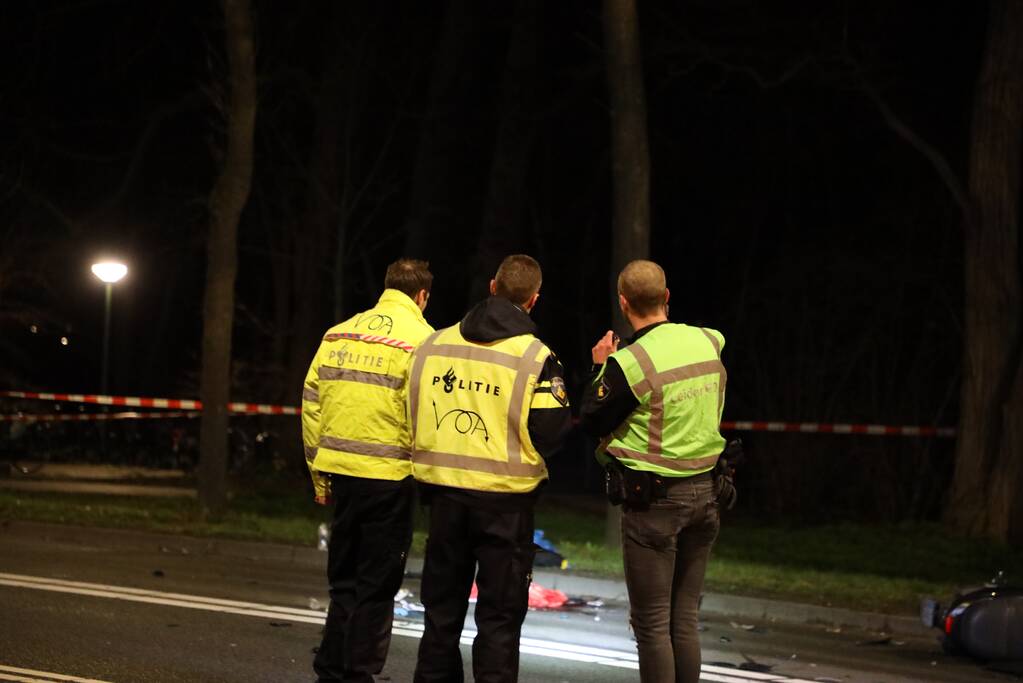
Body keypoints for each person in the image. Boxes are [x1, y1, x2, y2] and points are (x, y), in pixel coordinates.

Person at [406, 254, 571, 683]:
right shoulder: (537, 357)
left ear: (493, 286)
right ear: (533, 300)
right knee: (498, 620)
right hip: (506, 506)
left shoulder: (434, 344)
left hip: (443, 499)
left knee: (440, 615)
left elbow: (411, 410)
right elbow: (552, 434)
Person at [579, 259, 727, 683]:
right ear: (666, 297)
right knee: (684, 620)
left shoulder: (631, 364)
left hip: (656, 505)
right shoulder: (708, 340)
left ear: (623, 304)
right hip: (708, 495)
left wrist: (600, 366)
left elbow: (592, 417)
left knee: (652, 625)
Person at [302, 258, 435, 683]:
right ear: (422, 297)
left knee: (342, 579)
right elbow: (426, 417)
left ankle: (330, 669)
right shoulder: (424, 341)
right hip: (390, 477)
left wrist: (318, 475)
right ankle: (359, 673)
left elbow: (311, 405)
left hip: (340, 473)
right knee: (376, 585)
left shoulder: (338, 333)